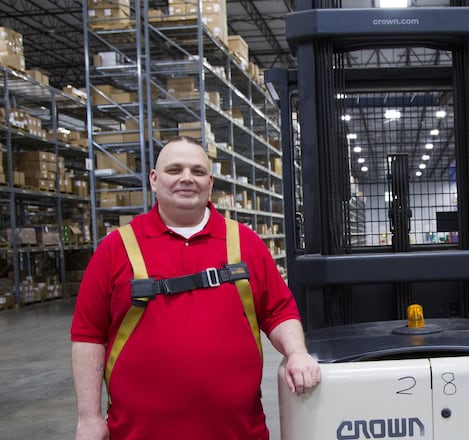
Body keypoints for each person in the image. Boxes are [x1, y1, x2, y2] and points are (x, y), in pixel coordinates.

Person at [71, 136, 321, 440]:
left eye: (198, 171)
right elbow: (88, 334)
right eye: (174, 170)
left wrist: (297, 353)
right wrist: (89, 417)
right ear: (154, 179)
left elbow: (279, 311)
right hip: (140, 433)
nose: (187, 178)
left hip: (236, 432)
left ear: (210, 182)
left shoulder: (244, 243)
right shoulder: (116, 248)